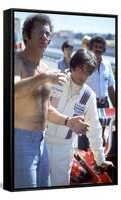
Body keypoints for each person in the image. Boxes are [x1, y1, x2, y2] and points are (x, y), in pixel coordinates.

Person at [14, 14, 89, 189]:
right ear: (26, 35)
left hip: (42, 141)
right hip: (21, 140)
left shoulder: (45, 68)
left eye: (47, 33)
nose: (44, 37)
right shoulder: (17, 61)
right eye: (39, 31)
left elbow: (46, 109)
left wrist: (68, 121)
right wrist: (44, 78)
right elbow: (12, 90)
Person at [45, 48, 113, 187]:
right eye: (81, 69)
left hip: (64, 149)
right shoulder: (56, 81)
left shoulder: (89, 96)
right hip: (40, 142)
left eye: (88, 72)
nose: (84, 75)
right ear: (73, 66)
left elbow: (94, 128)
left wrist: (100, 159)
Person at [86, 36, 115, 108]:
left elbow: (110, 87)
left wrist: (115, 107)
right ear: (91, 48)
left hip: (105, 104)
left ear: (103, 49)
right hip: (89, 104)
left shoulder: (107, 64)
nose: (98, 49)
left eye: (100, 47)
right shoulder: (85, 64)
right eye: (95, 46)